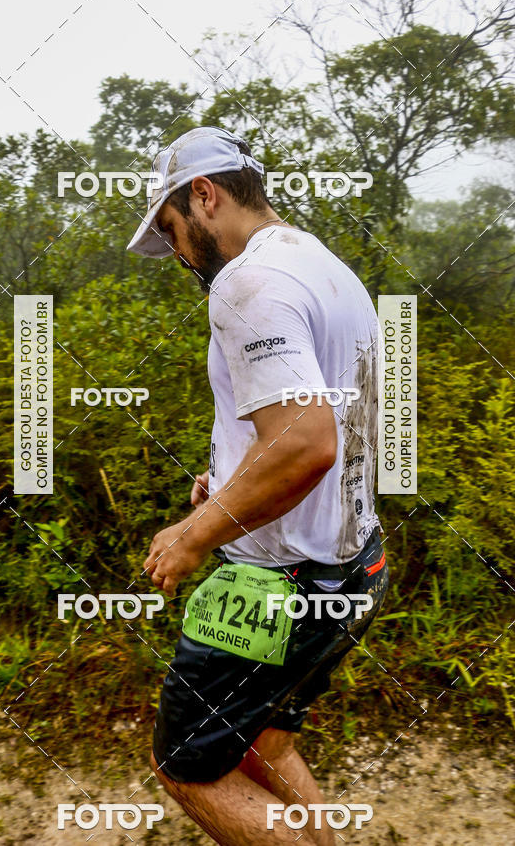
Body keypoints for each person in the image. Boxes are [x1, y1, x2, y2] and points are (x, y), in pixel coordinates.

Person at [127, 127, 389, 845]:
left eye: (173, 231)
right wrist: (235, 479)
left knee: (187, 764)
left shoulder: (247, 282)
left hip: (280, 585)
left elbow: (306, 443)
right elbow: (322, 421)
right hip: (353, 566)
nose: (178, 256)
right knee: (262, 747)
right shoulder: (320, 264)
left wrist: (192, 536)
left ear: (204, 196)